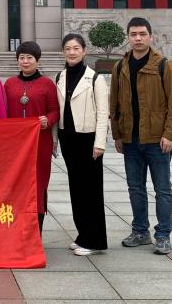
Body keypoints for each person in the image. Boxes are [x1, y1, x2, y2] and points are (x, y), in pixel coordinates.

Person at [109, 17, 172, 256]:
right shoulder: (120, 67)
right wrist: (117, 134)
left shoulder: (163, 65)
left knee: (162, 189)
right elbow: (114, 103)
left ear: (151, 37)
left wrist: (169, 135)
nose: (138, 38)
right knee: (135, 188)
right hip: (130, 140)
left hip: (156, 140)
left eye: (142, 34)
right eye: (133, 34)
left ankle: (163, 235)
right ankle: (140, 231)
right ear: (128, 38)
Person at [55, 33, 109, 255]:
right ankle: (82, 235)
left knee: (91, 191)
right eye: (68, 48)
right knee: (76, 190)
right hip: (68, 138)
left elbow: (103, 113)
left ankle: (94, 241)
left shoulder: (95, 78)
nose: (72, 52)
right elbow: (58, 110)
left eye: (76, 48)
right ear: (63, 52)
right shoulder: (60, 76)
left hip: (88, 139)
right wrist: (54, 141)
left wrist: (100, 143)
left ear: (84, 51)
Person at [4, 40, 59, 234]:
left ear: (37, 60)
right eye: (22, 58)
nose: (25, 62)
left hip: (40, 143)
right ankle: (15, 230)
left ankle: (36, 231)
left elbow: (55, 111)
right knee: (16, 184)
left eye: (30, 58)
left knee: (38, 183)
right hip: (15, 145)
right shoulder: (10, 84)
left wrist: (47, 120)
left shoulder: (47, 84)